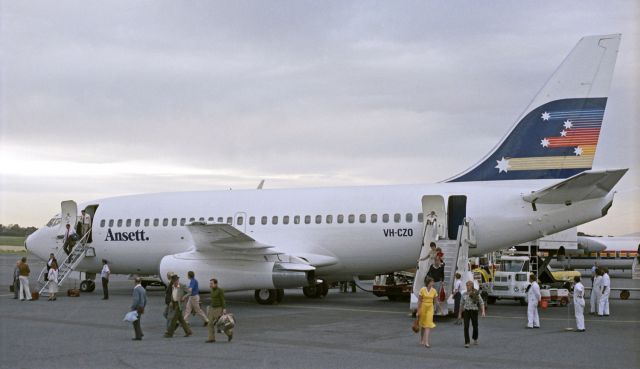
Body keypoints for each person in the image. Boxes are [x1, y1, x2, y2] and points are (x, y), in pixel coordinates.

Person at [458, 280, 486, 347]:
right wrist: (459, 314)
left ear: (472, 286)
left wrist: (483, 312)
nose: (467, 287)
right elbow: (461, 304)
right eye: (466, 285)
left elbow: (481, 303)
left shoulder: (476, 293)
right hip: (466, 311)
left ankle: (475, 338)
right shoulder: (464, 294)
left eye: (468, 285)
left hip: (474, 311)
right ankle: (467, 342)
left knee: (475, 326)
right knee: (466, 326)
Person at [206, 278, 233, 343]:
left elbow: (222, 300)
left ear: (216, 284)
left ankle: (230, 334)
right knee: (210, 324)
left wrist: (224, 309)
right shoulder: (211, 290)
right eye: (210, 283)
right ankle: (211, 338)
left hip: (219, 309)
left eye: (212, 283)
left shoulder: (220, 290)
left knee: (221, 324)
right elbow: (212, 300)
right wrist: (209, 308)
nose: (210, 285)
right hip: (212, 308)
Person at [416, 276, 437, 348]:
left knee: (428, 325)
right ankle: (422, 339)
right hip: (423, 307)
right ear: (428, 283)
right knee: (422, 325)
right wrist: (418, 310)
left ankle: (426, 342)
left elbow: (435, 301)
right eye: (432, 282)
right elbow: (419, 301)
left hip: (430, 307)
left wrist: (435, 308)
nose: (433, 283)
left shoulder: (434, 290)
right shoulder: (422, 289)